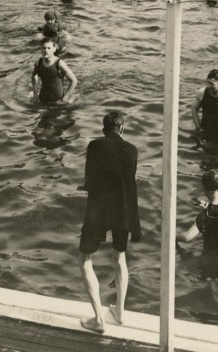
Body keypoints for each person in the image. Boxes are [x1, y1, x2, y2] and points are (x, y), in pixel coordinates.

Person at [78, 110, 141, 333]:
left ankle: (98, 320)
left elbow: (90, 178)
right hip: (123, 210)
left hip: (99, 208)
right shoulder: (132, 150)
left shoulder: (94, 146)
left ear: (104, 129)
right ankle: (120, 313)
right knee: (120, 257)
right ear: (121, 129)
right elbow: (131, 178)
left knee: (85, 260)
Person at [178, 169, 218, 274]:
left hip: (214, 257)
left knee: (188, 269)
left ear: (207, 190)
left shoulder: (207, 215)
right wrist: (208, 206)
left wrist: (172, 237)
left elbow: (187, 237)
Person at [32, 38, 77, 104]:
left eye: (49, 48)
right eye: (44, 48)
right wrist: (35, 94)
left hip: (58, 101)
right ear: (41, 49)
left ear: (54, 49)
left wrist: (64, 99)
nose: (46, 50)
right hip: (43, 100)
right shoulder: (38, 63)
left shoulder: (59, 64)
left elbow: (74, 80)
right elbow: (34, 75)